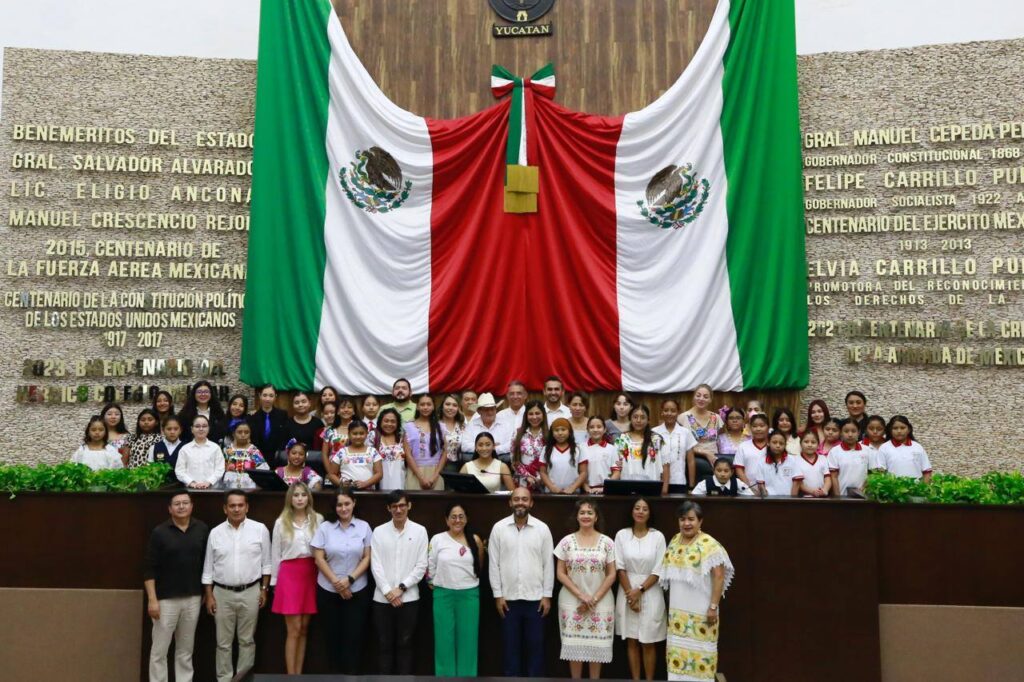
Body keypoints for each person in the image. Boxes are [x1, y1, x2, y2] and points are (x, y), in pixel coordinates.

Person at [202, 489, 271, 682]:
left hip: (251, 592)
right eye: (232, 506)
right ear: (225, 509)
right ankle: (224, 679)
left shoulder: (260, 530)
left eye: (240, 505)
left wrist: (264, 589)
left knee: (247, 641)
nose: (236, 509)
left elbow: (267, 564)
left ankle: (243, 679)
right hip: (221, 594)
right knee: (223, 643)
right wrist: (209, 595)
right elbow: (208, 568)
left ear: (247, 507)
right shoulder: (215, 533)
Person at [662, 501, 734, 682]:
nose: (686, 523)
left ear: (700, 521)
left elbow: (719, 576)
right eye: (682, 519)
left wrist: (713, 606)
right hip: (678, 612)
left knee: (701, 657)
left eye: (691, 519)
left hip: (702, 611)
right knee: (677, 658)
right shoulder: (674, 540)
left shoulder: (710, 544)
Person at [488, 487, 555, 677]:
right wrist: (498, 595)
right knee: (510, 652)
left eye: (524, 499)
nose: (520, 503)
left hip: (536, 600)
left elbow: (548, 564)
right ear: (510, 502)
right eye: (516, 499)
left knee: (536, 652)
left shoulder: (542, 529)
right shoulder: (499, 528)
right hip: (508, 601)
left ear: (531, 503)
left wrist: (547, 595)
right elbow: (493, 564)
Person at [144, 492, 209, 682]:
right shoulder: (159, 532)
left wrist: (206, 593)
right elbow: (149, 568)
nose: (181, 507)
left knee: (185, 650)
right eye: (177, 504)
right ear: (170, 509)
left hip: (193, 598)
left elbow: (206, 564)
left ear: (192, 506)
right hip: (165, 600)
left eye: (185, 503)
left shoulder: (202, 529)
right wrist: (152, 600)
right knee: (159, 651)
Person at [312, 490, 373, 674]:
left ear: (354, 503)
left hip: (357, 590)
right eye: (339, 505)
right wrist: (337, 584)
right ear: (334, 507)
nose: (344, 508)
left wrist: (350, 579)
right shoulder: (325, 528)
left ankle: (351, 676)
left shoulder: (364, 527)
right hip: (328, 591)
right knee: (332, 639)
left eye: (347, 503)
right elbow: (319, 558)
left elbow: (367, 557)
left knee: (354, 639)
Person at [555, 498, 617, 678]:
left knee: (596, 650)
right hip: (572, 601)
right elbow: (560, 573)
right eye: (582, 512)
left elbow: (612, 574)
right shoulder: (566, 542)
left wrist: (593, 599)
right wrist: (582, 596)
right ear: (576, 516)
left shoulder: (607, 543)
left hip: (601, 602)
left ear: (596, 517)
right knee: (575, 648)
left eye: (590, 512)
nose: (586, 516)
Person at [370, 490, 429, 675]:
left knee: (406, 644)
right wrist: (388, 591)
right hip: (382, 599)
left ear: (409, 506)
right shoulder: (379, 531)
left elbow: (421, 565)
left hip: (409, 598)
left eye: (402, 505)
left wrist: (401, 588)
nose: (398, 510)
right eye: (394, 506)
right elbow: (375, 565)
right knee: (384, 644)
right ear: (388, 508)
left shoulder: (420, 531)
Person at [271, 482, 323, 675]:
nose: (300, 498)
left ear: (308, 497)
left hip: (311, 573)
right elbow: (275, 554)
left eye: (303, 494)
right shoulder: (281, 522)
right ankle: (290, 676)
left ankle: (298, 675)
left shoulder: (318, 519)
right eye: (296, 495)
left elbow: (322, 550)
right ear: (290, 499)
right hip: (289, 574)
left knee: (304, 629)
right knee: (294, 629)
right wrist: (274, 582)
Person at [428, 503, 485, 677]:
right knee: (443, 641)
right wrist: (434, 583)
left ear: (466, 519)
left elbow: (479, 566)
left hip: (469, 596)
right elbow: (430, 567)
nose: (457, 520)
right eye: (453, 517)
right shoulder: (437, 539)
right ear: (446, 520)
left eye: (461, 516)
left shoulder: (475, 540)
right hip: (443, 595)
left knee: (468, 641)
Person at [614, 498, 667, 681]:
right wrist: (631, 596)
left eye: (645, 509)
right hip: (626, 590)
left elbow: (658, 569)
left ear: (650, 513)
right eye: (637, 508)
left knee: (648, 642)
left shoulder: (657, 537)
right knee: (632, 641)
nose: (640, 512)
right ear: (632, 511)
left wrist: (640, 591)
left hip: (651, 591)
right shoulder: (622, 535)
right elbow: (619, 567)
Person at [616, 404, 668, 486]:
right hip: (627, 488)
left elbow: (666, 466)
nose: (638, 420)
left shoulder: (657, 439)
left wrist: (664, 489)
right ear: (630, 419)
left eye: (643, 417)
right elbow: (616, 466)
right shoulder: (621, 439)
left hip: (651, 488)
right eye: (635, 417)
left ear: (648, 420)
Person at [652, 398, 698, 491]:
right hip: (658, 481)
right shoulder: (654, 432)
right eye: (666, 410)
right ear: (662, 412)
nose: (669, 413)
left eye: (673, 411)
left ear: (678, 412)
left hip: (679, 481)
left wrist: (691, 486)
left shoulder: (685, 432)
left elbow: (691, 461)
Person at [677, 384, 721, 473]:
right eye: (698, 395)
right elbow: (681, 445)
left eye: (705, 397)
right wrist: (704, 453)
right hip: (692, 462)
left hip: (714, 462)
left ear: (710, 399)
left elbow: (718, 442)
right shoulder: (683, 417)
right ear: (693, 397)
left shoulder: (716, 417)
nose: (701, 399)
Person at [327, 420, 383, 489]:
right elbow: (331, 474)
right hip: (347, 493)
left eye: (361, 433)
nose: (358, 436)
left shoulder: (373, 452)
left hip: (368, 492)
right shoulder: (342, 452)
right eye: (354, 434)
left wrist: (365, 483)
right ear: (349, 434)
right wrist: (341, 484)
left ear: (367, 434)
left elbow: (379, 474)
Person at [538, 417, 587, 494]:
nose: (560, 433)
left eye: (563, 429)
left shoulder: (578, 449)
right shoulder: (546, 449)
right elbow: (542, 472)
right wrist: (552, 487)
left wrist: (573, 488)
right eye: (556, 430)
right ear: (552, 433)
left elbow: (583, 472)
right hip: (551, 493)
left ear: (569, 432)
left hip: (573, 493)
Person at [460, 392, 513, 463]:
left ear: (496, 410)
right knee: (466, 457)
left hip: (500, 460)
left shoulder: (506, 424)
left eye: (492, 409)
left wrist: (494, 449)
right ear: (479, 411)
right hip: (477, 461)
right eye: (486, 410)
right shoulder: (471, 425)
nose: (490, 412)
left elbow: (512, 444)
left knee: (507, 457)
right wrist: (485, 447)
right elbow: (464, 446)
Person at [877, 415, 933, 482]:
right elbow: (881, 473)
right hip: (893, 488)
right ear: (890, 430)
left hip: (916, 488)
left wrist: (923, 487)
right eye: (895, 428)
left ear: (909, 429)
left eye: (902, 428)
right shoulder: (884, 448)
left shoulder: (917, 447)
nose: (899, 431)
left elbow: (927, 472)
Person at [406, 394, 444, 490]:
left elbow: (445, 453)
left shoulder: (441, 426)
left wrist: (435, 476)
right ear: (417, 407)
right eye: (422, 404)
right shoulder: (408, 426)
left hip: (436, 472)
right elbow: (408, 454)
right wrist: (421, 478)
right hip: (415, 472)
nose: (425, 407)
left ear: (433, 406)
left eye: (429, 404)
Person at [175, 416, 225, 490]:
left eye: (204, 426)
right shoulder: (185, 449)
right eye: (197, 426)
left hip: (212, 489)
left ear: (208, 429)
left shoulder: (215, 448)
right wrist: (192, 483)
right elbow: (179, 471)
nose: (201, 429)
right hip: (190, 490)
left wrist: (208, 482)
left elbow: (220, 469)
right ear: (192, 429)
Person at [828, 419, 872, 497]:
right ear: (841, 433)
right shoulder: (834, 451)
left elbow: (871, 474)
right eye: (846, 431)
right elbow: (834, 477)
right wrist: (838, 497)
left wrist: (863, 489)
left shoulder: (867, 450)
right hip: (842, 495)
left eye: (853, 431)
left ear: (859, 432)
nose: (850, 434)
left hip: (863, 496)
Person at [511, 400, 548, 490]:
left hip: (544, 481)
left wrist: (540, 477)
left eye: (537, 413)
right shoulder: (518, 433)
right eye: (531, 414)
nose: (534, 417)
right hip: (522, 482)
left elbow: (551, 460)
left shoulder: (549, 434)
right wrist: (527, 476)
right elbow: (514, 460)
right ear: (526, 416)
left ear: (543, 415)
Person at [376, 408, 415, 491]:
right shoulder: (374, 436)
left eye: (393, 421)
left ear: (398, 423)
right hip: (380, 482)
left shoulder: (402, 437)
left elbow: (409, 457)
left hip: (400, 480)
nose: (389, 424)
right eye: (386, 421)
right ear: (380, 422)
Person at [221, 422, 269, 490]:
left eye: (246, 432)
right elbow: (219, 469)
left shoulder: (253, 451)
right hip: (230, 485)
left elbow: (264, 469)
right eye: (239, 432)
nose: (243, 435)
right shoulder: (227, 450)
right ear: (233, 434)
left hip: (249, 486)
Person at [248, 384, 289, 458]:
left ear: (275, 397)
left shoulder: (282, 415)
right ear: (260, 396)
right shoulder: (252, 417)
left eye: (271, 396)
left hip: (278, 457)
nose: (267, 399)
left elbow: (285, 437)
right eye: (265, 395)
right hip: (258, 457)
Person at [179, 381, 227, 445]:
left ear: (211, 394)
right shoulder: (185, 414)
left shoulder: (218, 414)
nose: (203, 394)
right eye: (199, 392)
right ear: (194, 394)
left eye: (206, 392)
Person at [755, 430, 800, 497]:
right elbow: (761, 484)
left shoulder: (793, 460)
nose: (778, 445)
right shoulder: (761, 462)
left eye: (781, 443)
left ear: (785, 445)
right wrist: (765, 498)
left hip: (788, 500)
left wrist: (792, 500)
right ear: (768, 443)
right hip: (769, 501)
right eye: (774, 442)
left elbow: (796, 483)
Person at [583, 416, 621, 494]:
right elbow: (579, 472)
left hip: (607, 490)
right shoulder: (581, 448)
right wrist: (586, 487)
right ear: (587, 430)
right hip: (586, 491)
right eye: (592, 427)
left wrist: (605, 488)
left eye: (599, 427)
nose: (595, 430)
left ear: (605, 429)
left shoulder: (612, 449)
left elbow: (616, 473)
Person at [790, 431, 832, 498]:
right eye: (806, 442)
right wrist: (812, 491)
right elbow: (798, 483)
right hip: (804, 498)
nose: (810, 445)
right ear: (800, 444)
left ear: (818, 445)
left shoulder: (823, 458)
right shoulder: (796, 460)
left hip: (822, 498)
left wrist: (825, 490)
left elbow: (827, 478)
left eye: (813, 442)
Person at [731, 413, 768, 487]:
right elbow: (739, 469)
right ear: (750, 428)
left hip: (771, 489)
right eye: (754, 426)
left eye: (762, 426)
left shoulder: (773, 446)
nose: (758, 429)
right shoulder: (743, 446)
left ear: (768, 427)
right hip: (748, 489)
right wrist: (750, 488)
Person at [285, 391, 323, 459]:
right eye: (297, 402)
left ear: (309, 403)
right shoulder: (287, 424)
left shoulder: (318, 423)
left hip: (314, 460)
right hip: (292, 461)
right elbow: (283, 447)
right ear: (293, 405)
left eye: (303, 402)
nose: (300, 405)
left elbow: (322, 446)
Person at [690, 458, 755, 496]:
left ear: (732, 472)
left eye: (726, 471)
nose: (722, 474)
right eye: (719, 470)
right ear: (713, 471)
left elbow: (750, 497)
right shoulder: (705, 483)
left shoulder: (737, 483)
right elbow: (694, 498)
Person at [439, 394, 466, 472]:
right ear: (442, 406)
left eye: (454, 405)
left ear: (458, 408)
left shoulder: (463, 426)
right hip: (437, 466)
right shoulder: (435, 425)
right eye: (448, 404)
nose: (451, 408)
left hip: (458, 466)